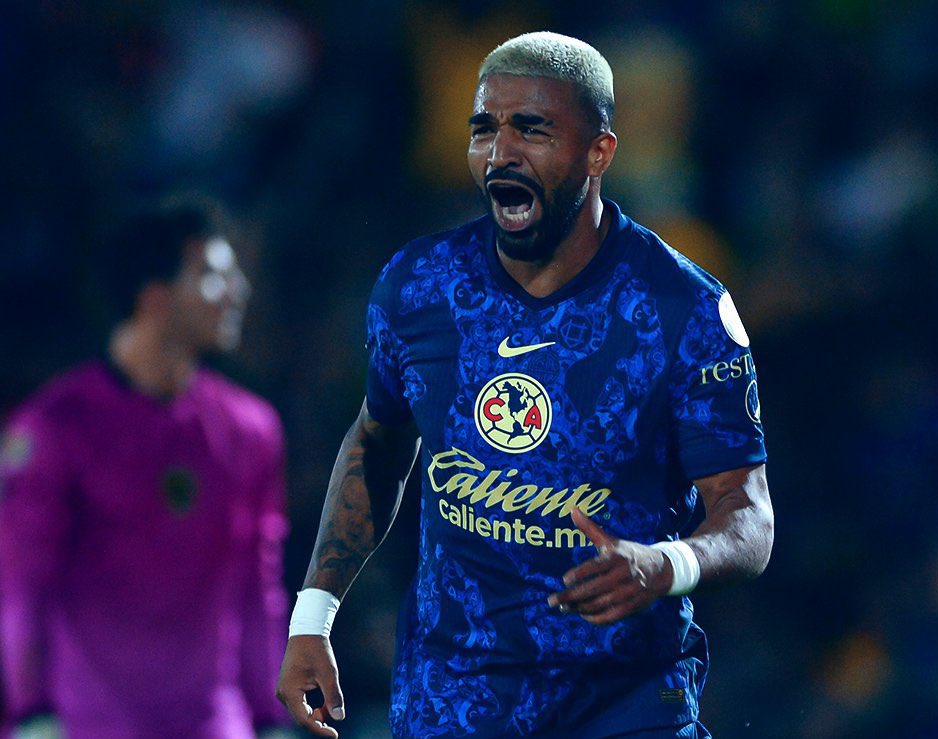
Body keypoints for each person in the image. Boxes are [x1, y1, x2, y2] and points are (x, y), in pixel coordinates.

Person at [277, 32, 774, 738]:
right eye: (485, 128)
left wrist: (668, 563)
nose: (501, 152)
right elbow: (377, 441)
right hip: (454, 698)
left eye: (531, 129)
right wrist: (313, 617)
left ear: (599, 151)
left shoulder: (681, 309)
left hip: (625, 704)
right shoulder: (419, 288)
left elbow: (749, 515)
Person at [0, 197, 294, 739]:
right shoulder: (54, 428)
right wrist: (30, 711)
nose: (238, 291)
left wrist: (269, 715)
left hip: (210, 722)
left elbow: (257, 587)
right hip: (86, 723)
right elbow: (21, 586)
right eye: (213, 274)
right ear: (155, 296)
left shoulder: (250, 430)